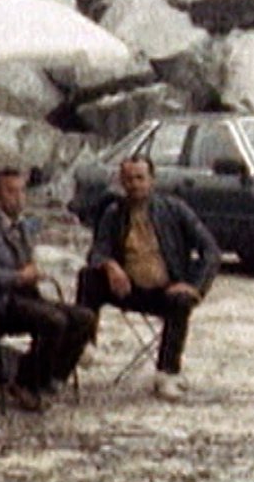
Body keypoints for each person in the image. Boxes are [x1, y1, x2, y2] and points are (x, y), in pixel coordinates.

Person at [78, 155, 222, 402]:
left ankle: (167, 373)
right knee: (88, 277)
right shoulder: (114, 213)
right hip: (128, 289)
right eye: (128, 179)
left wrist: (194, 286)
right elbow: (97, 251)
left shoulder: (175, 209)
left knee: (181, 302)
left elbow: (211, 250)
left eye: (140, 178)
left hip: (165, 290)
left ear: (152, 180)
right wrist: (111, 265)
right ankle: (83, 342)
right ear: (121, 183)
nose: (134, 185)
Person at [0, 167, 97, 412]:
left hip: (20, 297)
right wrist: (17, 277)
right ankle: (25, 383)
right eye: (10, 192)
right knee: (53, 320)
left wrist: (32, 272)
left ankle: (50, 377)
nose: (18, 198)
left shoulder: (21, 227)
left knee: (84, 318)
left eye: (21, 191)